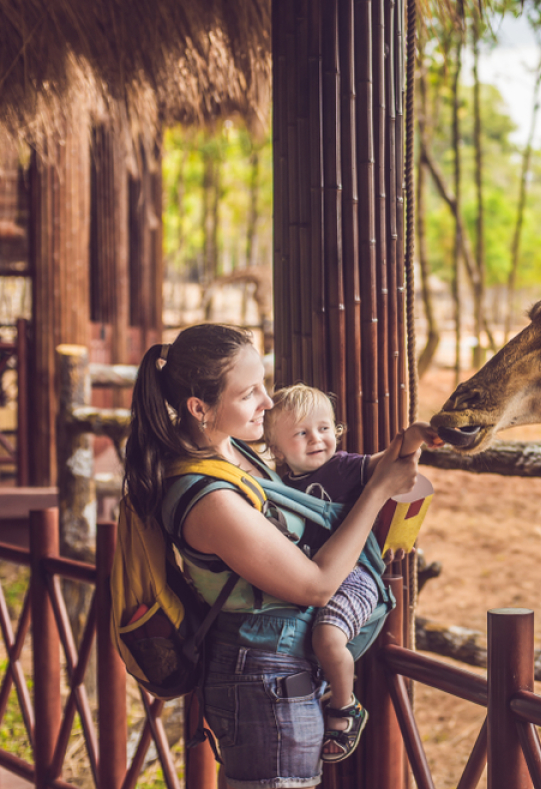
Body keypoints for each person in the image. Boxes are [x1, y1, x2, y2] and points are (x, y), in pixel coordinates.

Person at [122, 324, 419, 788]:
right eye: (249, 393)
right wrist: (379, 492)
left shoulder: (234, 450)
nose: (267, 402)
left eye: (265, 383)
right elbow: (316, 586)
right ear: (199, 407)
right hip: (264, 680)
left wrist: (399, 453)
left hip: (281, 668)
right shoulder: (207, 497)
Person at [262, 385, 441, 762]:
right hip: (310, 576)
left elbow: (391, 457)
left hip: (355, 574)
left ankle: (346, 708)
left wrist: (415, 435)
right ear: (276, 449)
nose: (317, 439)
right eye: (302, 433)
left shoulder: (344, 467)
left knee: (327, 639)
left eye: (325, 428)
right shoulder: (277, 485)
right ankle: (324, 685)